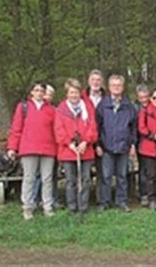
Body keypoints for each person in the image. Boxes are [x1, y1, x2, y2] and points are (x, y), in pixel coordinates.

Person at [7, 82, 57, 220]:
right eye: (37, 90)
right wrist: (12, 147)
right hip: (29, 148)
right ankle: (28, 207)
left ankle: (48, 206)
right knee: (29, 178)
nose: (39, 93)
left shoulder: (51, 109)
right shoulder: (23, 107)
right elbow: (16, 128)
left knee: (47, 179)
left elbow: (56, 130)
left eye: (42, 90)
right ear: (31, 92)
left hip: (48, 148)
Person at [54, 79, 98, 214]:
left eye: (76, 92)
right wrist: (69, 143)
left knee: (85, 179)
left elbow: (93, 127)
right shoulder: (61, 110)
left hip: (86, 150)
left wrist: (86, 141)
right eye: (71, 92)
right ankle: (72, 206)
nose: (74, 95)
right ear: (67, 94)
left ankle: (83, 205)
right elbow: (59, 130)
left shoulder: (88, 108)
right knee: (70, 180)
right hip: (68, 151)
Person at [96, 74, 137, 213]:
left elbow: (133, 127)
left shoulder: (128, 106)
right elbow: (97, 126)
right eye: (113, 85)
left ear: (123, 87)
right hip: (106, 146)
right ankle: (105, 201)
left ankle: (122, 201)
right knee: (106, 176)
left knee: (122, 176)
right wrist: (98, 145)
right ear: (109, 87)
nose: (116, 88)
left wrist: (132, 144)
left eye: (119, 85)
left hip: (124, 146)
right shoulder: (103, 105)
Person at [33, 84, 60, 209]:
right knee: (37, 175)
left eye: (51, 95)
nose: (48, 97)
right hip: (36, 147)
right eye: (46, 94)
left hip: (52, 148)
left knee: (51, 176)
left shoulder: (54, 110)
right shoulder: (34, 108)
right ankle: (34, 199)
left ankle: (51, 200)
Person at [81, 69, 106, 205]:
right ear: (89, 81)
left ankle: (100, 200)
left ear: (102, 82)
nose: (96, 82)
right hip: (85, 140)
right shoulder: (81, 97)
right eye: (93, 80)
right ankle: (83, 200)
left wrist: (100, 143)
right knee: (84, 173)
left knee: (102, 172)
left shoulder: (107, 97)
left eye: (98, 80)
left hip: (103, 139)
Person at [133, 84, 150, 206]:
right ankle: (144, 194)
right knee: (143, 169)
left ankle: (154, 193)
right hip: (140, 142)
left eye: (146, 97)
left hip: (155, 142)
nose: (144, 100)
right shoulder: (134, 108)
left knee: (154, 171)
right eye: (141, 97)